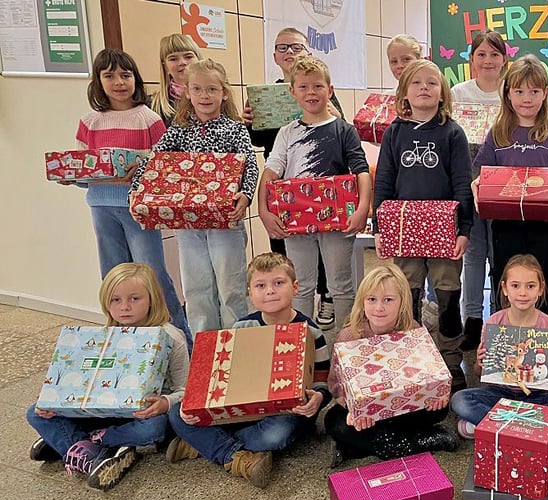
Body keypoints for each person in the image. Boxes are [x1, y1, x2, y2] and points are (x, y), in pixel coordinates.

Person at [165, 253, 332, 488]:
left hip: (287, 414)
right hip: (243, 410)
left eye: (279, 283)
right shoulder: (242, 327)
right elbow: (227, 376)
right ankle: (236, 456)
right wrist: (196, 405)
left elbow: (323, 382)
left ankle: (205, 445)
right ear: (250, 293)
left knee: (276, 435)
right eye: (260, 286)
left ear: (295, 287)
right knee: (177, 413)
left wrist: (319, 398)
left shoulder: (312, 332)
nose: (270, 291)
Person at [27, 263, 190, 490]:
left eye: (135, 299)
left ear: (152, 299)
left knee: (154, 430)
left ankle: (78, 443)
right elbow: (76, 381)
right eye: (115, 300)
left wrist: (165, 403)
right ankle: (93, 451)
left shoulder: (171, 337)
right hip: (103, 411)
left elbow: (186, 390)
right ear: (106, 303)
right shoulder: (101, 337)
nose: (125, 307)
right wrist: (53, 401)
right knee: (35, 413)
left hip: (144, 414)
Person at [131, 59, 258, 334]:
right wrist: (136, 193)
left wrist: (245, 195)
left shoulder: (235, 129)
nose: (205, 96)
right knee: (197, 288)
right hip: (188, 225)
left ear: (224, 92)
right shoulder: (178, 130)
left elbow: (250, 164)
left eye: (212, 89)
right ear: (187, 91)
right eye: (198, 89)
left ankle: (236, 343)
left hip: (225, 223)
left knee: (230, 286)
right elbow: (155, 161)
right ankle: (205, 347)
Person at [73, 48, 190, 343]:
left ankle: (181, 338)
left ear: (136, 80)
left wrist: (141, 171)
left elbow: (165, 167)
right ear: (98, 82)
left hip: (139, 207)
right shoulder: (89, 121)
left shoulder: (148, 119)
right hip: (100, 206)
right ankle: (123, 341)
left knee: (153, 274)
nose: (118, 82)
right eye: (109, 76)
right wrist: (72, 177)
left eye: (125, 75)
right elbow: (80, 166)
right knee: (113, 275)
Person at [373, 59, 473, 392]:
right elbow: (384, 182)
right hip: (403, 229)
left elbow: (462, 184)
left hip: (445, 231)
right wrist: (380, 226)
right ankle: (411, 355)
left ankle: (449, 358)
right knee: (407, 295)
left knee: (447, 295)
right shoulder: (395, 133)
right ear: (404, 92)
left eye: (432, 83)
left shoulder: (453, 133)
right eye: (417, 83)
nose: (424, 88)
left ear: (443, 92)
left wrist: (464, 229)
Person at [258, 55, 371, 324]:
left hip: (338, 221)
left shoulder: (344, 130)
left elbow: (361, 171)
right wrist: (262, 210)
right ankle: (305, 344)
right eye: (304, 87)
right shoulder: (287, 133)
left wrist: (364, 208)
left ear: (330, 90)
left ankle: (344, 343)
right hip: (296, 221)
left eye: (318, 86)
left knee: (340, 285)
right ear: (292, 91)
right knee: (301, 285)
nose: (311, 92)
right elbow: (271, 172)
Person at [244, 27, 344, 328]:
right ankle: (292, 308)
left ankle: (326, 297)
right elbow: (262, 143)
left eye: (296, 47)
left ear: (308, 53)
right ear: (274, 55)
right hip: (282, 187)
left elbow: (340, 133)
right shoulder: (267, 95)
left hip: (321, 188)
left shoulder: (322, 92)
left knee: (326, 248)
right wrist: (251, 121)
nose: (289, 52)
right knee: (287, 250)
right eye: (283, 48)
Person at [472, 55, 548, 319]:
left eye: (534, 91)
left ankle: (544, 322)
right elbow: (483, 173)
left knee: (543, 269)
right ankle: (502, 320)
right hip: (505, 221)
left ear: (545, 93)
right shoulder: (498, 131)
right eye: (519, 91)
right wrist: (477, 182)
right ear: (508, 93)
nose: (527, 98)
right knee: (503, 268)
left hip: (545, 222)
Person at [324, 266, 459, 467]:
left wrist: (434, 395)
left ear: (402, 302)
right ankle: (419, 441)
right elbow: (336, 385)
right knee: (334, 421)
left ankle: (357, 448)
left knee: (439, 410)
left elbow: (428, 372)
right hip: (370, 414)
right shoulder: (349, 336)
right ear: (362, 301)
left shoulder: (412, 329)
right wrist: (354, 409)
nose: (379, 308)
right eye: (372, 299)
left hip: (402, 407)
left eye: (388, 300)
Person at [450, 254, 548, 441]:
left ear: (541, 289)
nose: (523, 293)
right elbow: (480, 374)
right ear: (505, 288)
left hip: (536, 395)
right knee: (459, 400)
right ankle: (539, 432)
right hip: (499, 394)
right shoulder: (494, 322)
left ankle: (489, 428)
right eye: (515, 286)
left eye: (530, 286)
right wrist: (479, 363)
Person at [453, 29, 509, 352]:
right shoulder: (459, 93)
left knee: (500, 254)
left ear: (504, 59)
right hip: (468, 185)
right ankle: (472, 319)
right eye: (481, 54)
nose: (488, 60)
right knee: (473, 255)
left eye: (494, 54)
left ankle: (502, 317)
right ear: (471, 59)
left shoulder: (512, 93)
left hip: (503, 189)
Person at [150, 34, 201, 126]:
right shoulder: (153, 105)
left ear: (199, 59)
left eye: (188, 57)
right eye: (173, 59)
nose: (182, 62)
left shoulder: (218, 97)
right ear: (165, 66)